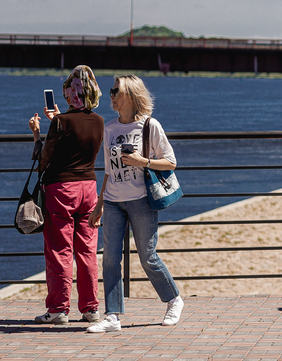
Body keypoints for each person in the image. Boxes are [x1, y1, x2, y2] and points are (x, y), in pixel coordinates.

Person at [86, 75, 183, 332]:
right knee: (110, 259)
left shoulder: (150, 127)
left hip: (142, 201)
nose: (112, 96)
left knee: (147, 257)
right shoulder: (109, 129)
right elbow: (107, 170)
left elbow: (171, 162)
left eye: (116, 91)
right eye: (111, 91)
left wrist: (143, 162)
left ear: (130, 94)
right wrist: (100, 203)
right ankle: (112, 316)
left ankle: (174, 300)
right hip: (115, 202)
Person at [28, 65, 105, 325]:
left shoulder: (62, 122)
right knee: (87, 251)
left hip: (61, 190)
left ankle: (58, 310)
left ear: (69, 94)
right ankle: (91, 308)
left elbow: (43, 159)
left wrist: (37, 133)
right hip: (89, 189)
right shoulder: (99, 121)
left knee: (60, 250)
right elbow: (78, 140)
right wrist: (56, 122)